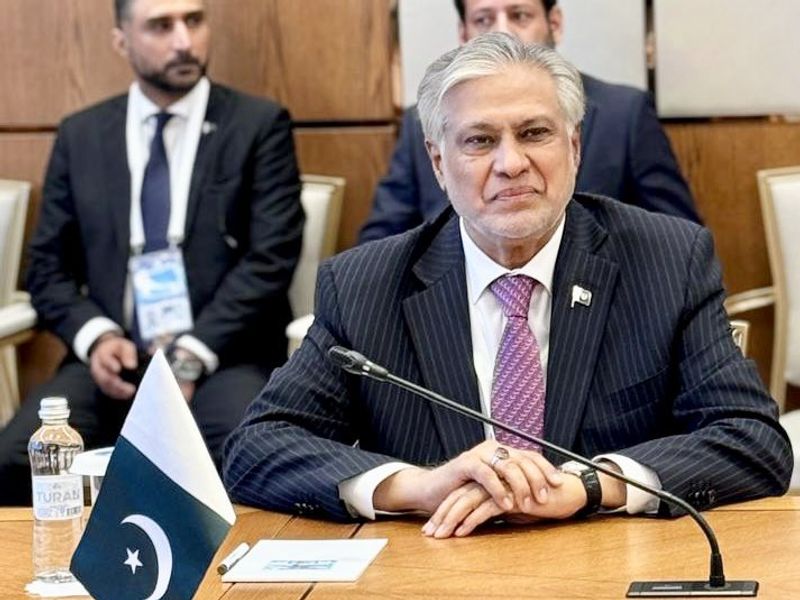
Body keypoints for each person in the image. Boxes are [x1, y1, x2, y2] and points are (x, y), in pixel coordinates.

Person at [223, 33, 791, 539]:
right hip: (436, 564)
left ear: (574, 147)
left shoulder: (666, 260)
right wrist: (417, 486)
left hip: (611, 558)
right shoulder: (365, 285)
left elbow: (752, 440)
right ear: (438, 163)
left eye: (534, 133)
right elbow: (257, 447)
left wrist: (593, 485)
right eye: (479, 140)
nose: (511, 163)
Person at [0, 0, 304, 505]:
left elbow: (271, 259)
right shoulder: (82, 134)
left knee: (247, 456)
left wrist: (190, 356)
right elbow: (47, 269)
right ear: (121, 40)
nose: (183, 41)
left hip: (223, 354)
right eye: (161, 26)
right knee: (16, 459)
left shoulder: (257, 125)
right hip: (114, 358)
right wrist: (97, 339)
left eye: (194, 21)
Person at [359, 0, 699, 244]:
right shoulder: (424, 119)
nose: (502, 31)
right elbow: (381, 245)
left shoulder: (624, 113)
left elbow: (676, 239)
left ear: (554, 23)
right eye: (484, 20)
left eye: (519, 15)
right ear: (463, 34)